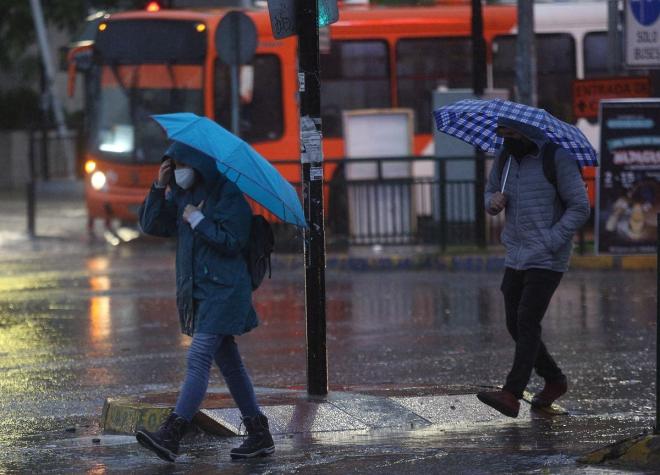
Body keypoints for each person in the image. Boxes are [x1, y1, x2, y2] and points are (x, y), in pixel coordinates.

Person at [135, 141, 274, 462]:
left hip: (225, 291)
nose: (177, 172)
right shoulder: (184, 193)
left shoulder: (228, 194)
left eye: (180, 165)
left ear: (198, 164)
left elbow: (233, 240)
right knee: (230, 365)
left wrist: (199, 221)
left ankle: (172, 433)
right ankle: (259, 434)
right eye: (171, 166)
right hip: (200, 292)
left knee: (198, 359)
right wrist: (158, 186)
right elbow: (152, 224)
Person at [476, 118, 590, 417]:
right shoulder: (505, 158)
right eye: (502, 133)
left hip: (548, 256)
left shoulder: (557, 158)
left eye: (511, 133)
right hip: (516, 253)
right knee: (514, 322)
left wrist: (552, 239)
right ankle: (554, 379)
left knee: (527, 319)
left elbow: (580, 206)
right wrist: (493, 203)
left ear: (527, 132)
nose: (506, 139)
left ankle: (512, 393)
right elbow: (489, 192)